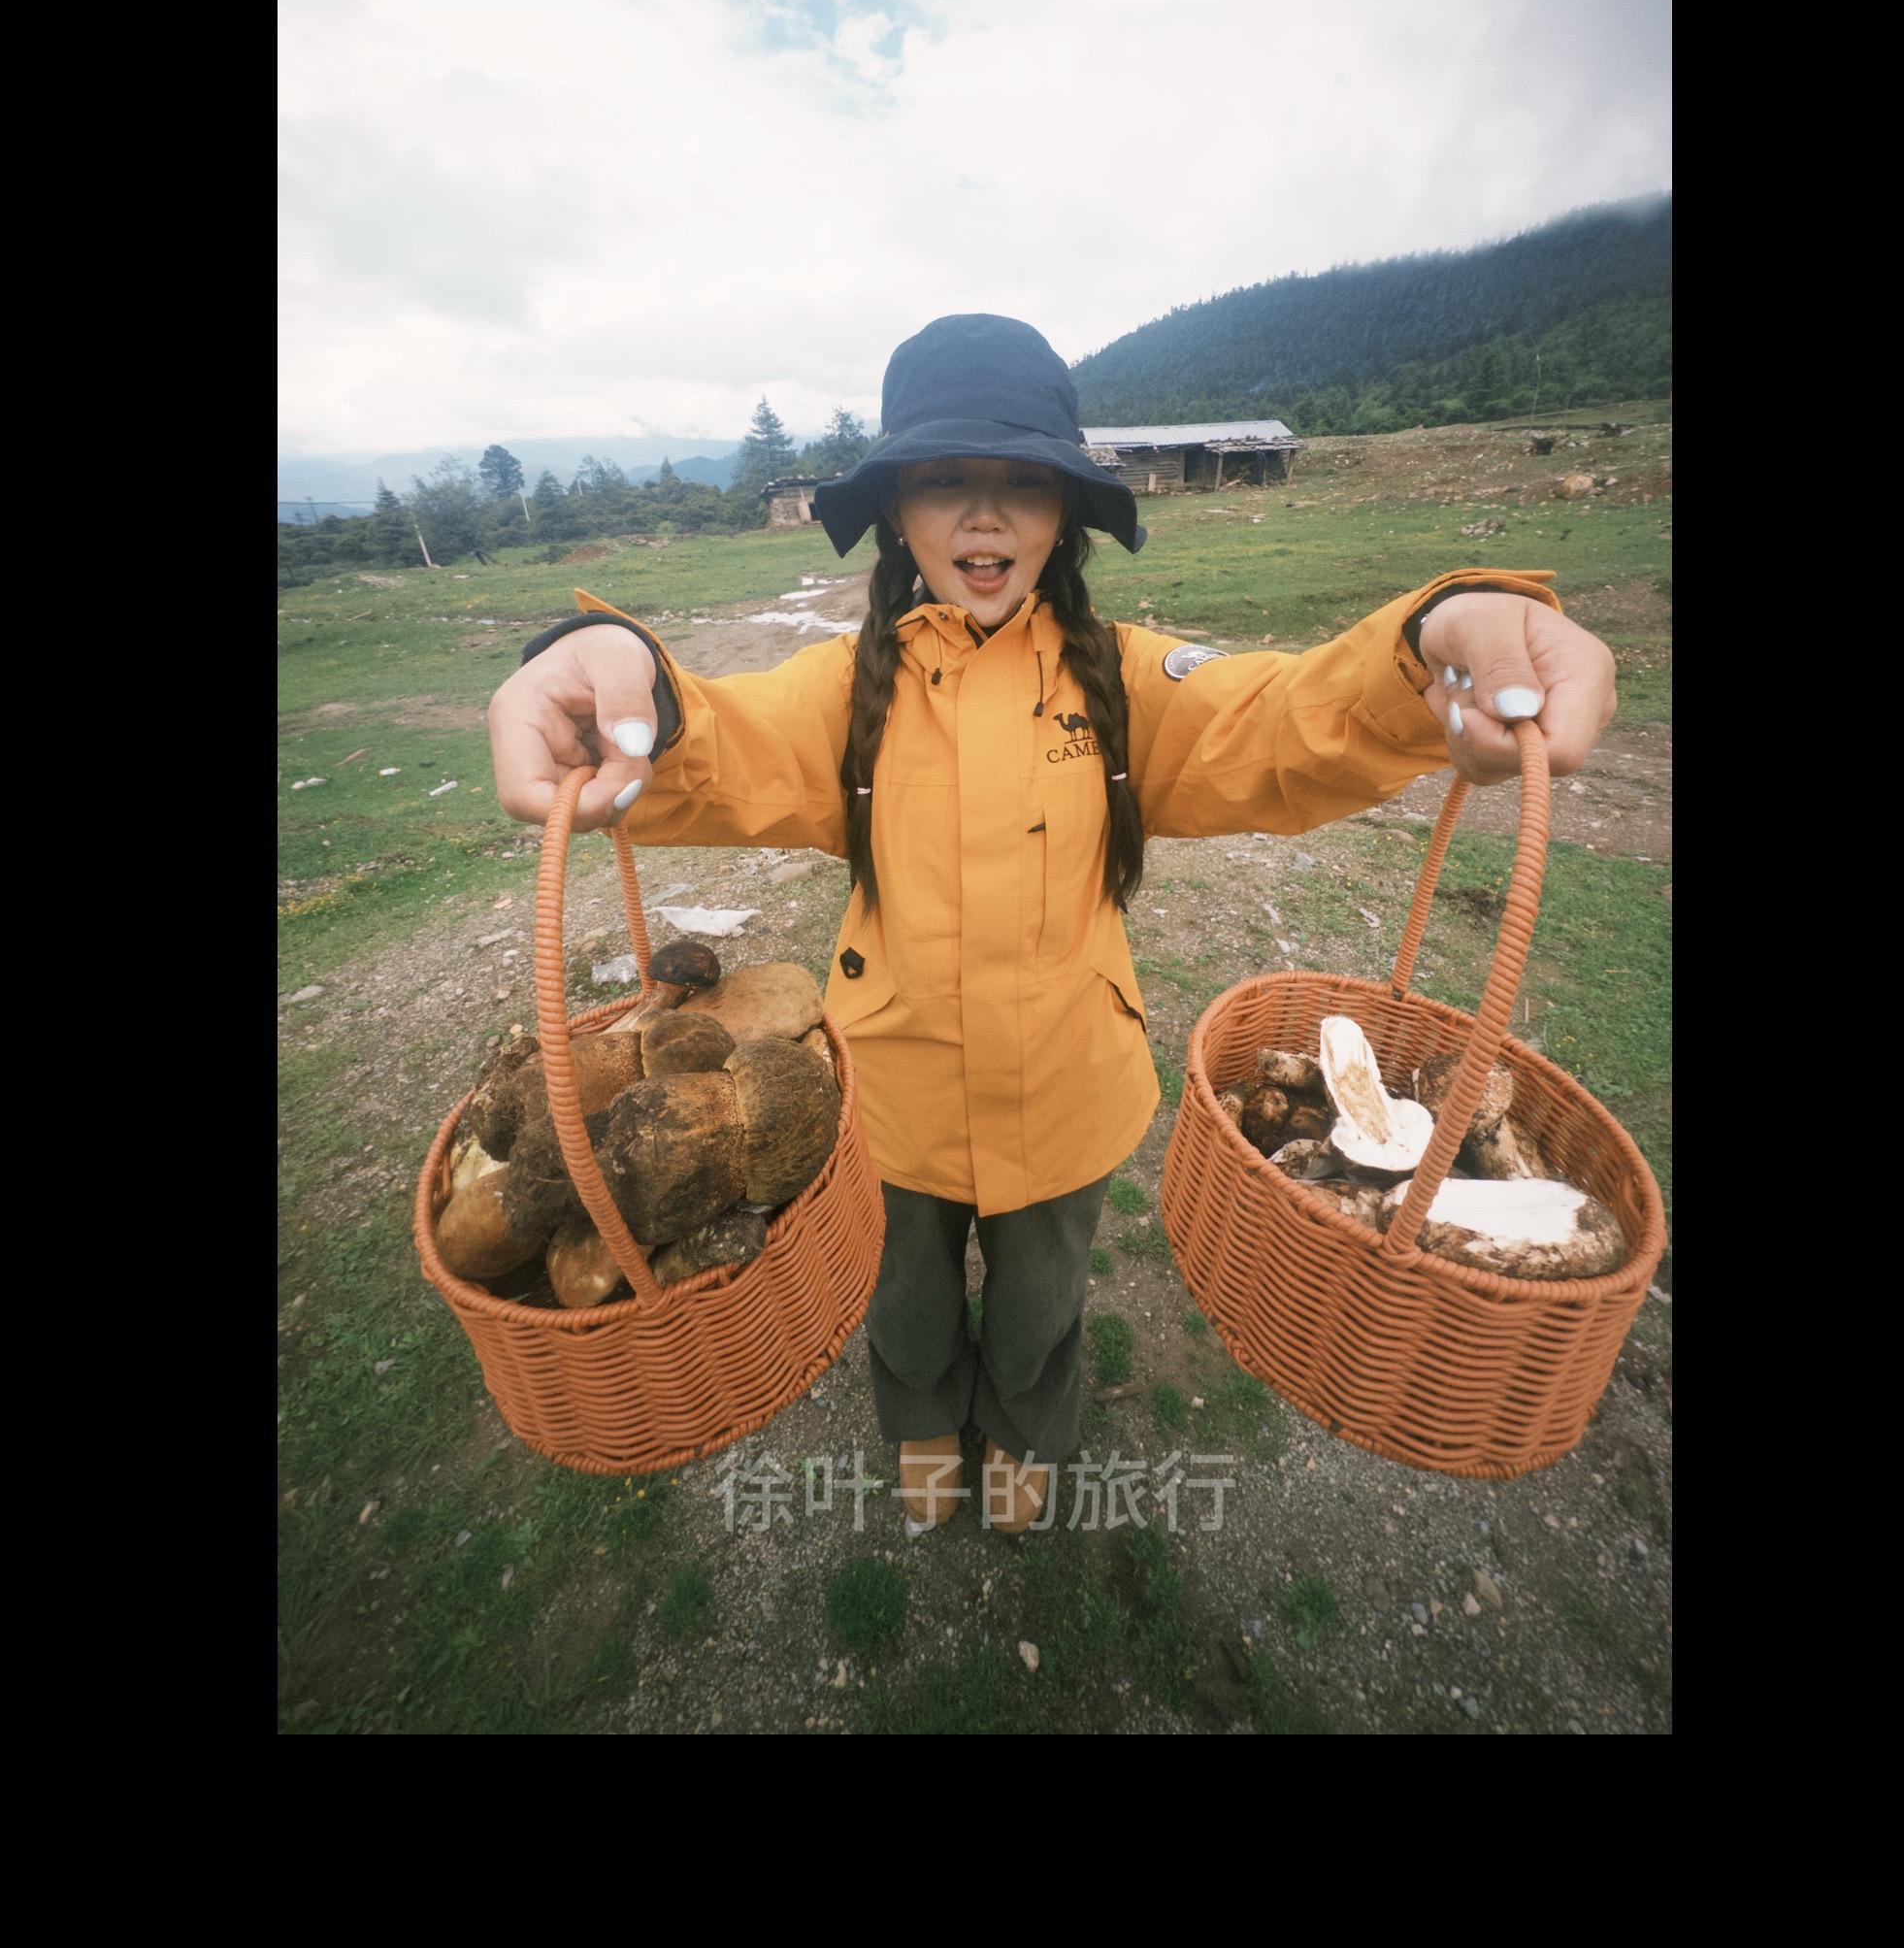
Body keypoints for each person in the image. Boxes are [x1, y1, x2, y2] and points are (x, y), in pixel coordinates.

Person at [486, 314, 1617, 1538]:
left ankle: (1026, 1433)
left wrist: (1434, 634)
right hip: (894, 1098)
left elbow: (1285, 719)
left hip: (1069, 1091)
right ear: (897, 511)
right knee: (903, 1299)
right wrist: (619, 671)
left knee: (1039, 1310)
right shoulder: (842, 693)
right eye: (944, 480)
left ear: (1065, 512)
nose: (985, 515)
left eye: (1022, 482)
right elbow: (713, 740)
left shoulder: (1125, 684)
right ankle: (923, 1425)